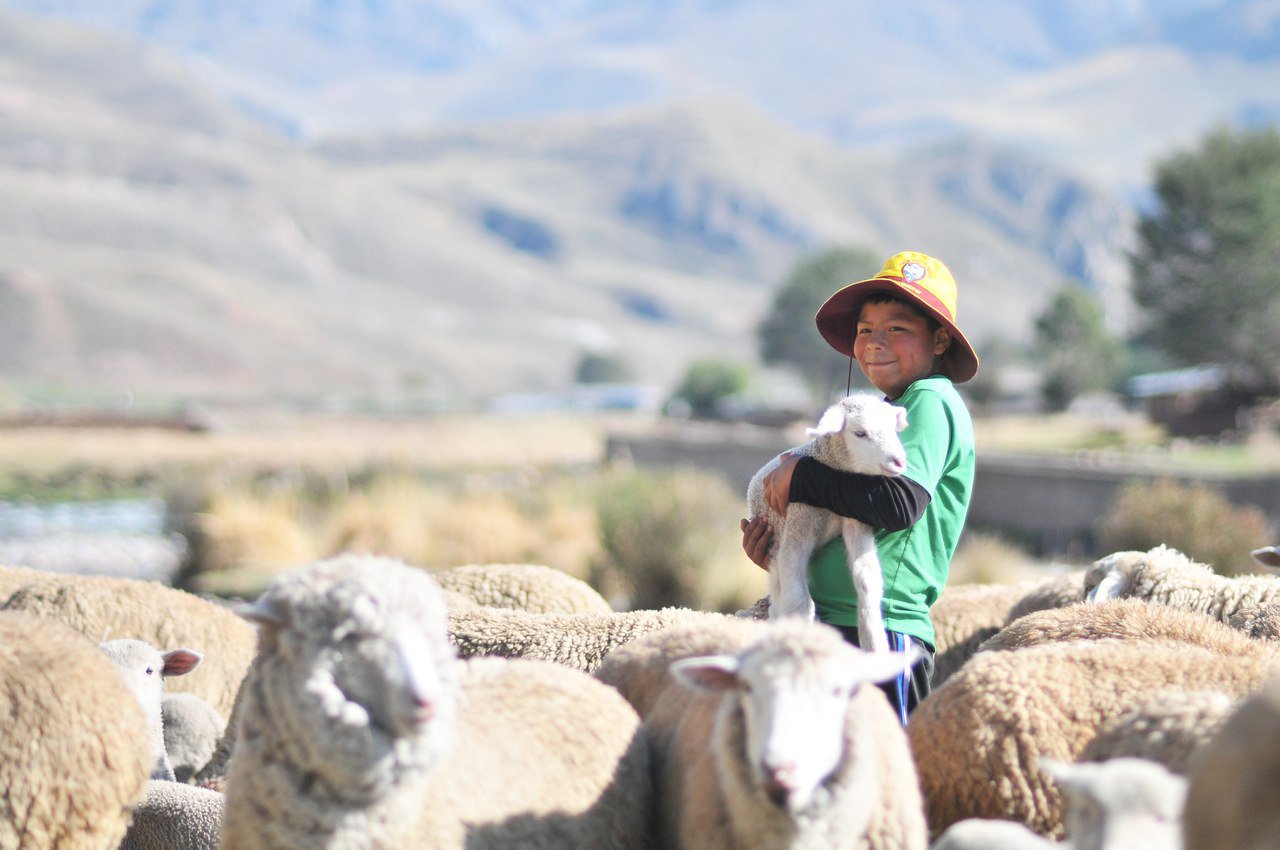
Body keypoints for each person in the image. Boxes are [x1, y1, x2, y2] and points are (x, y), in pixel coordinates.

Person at [740, 250, 977, 723]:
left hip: (881, 630)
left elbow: (898, 504)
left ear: (940, 338)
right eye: (865, 330)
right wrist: (780, 552)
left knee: (879, 779)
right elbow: (844, 509)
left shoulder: (930, 400)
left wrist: (800, 476)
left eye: (897, 329)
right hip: (827, 624)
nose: (875, 342)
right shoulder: (875, 417)